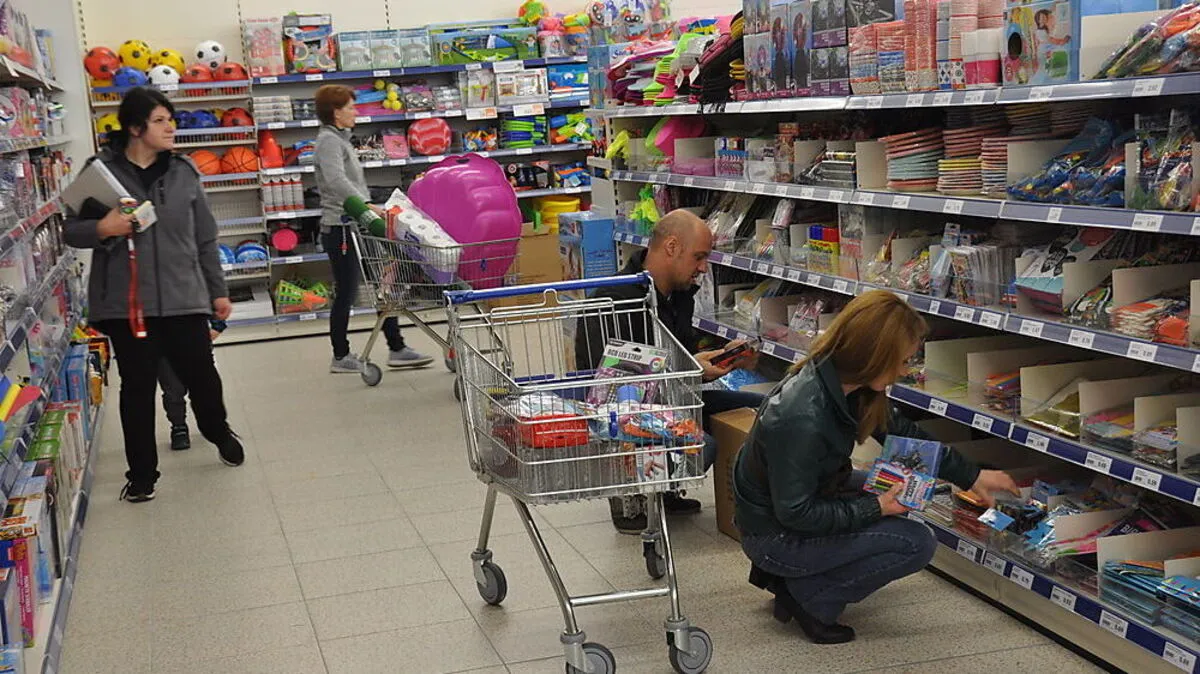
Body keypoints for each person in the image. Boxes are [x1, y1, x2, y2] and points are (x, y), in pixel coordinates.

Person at [733, 290, 1020, 644]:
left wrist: (972, 476)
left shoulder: (845, 382)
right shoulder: (802, 414)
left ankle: (800, 576)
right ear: (872, 355)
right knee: (916, 543)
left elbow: (906, 435)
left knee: (889, 487)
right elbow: (796, 513)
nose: (905, 371)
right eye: (902, 361)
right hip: (773, 536)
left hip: (797, 500)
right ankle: (809, 596)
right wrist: (876, 507)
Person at [63, 87, 245, 503]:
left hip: (184, 298)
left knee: (202, 378)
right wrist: (102, 228)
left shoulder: (184, 172)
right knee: (137, 389)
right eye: (160, 120)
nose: (171, 127)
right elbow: (70, 229)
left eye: (171, 119)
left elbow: (205, 238)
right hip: (127, 305)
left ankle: (217, 431)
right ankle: (142, 475)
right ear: (134, 127)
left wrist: (217, 292)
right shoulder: (99, 173)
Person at [575, 210, 766, 533]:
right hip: (629, 417)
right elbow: (607, 387)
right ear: (672, 247)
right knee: (702, 447)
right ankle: (634, 497)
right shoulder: (613, 300)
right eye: (699, 257)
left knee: (760, 406)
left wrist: (716, 358)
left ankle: (663, 490)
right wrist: (688, 370)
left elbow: (678, 358)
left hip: (674, 400)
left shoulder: (678, 296)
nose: (703, 268)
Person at [313, 84, 432, 373]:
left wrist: (366, 210)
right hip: (341, 227)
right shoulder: (328, 141)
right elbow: (336, 181)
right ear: (336, 112)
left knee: (383, 286)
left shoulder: (340, 139)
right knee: (347, 292)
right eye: (350, 108)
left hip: (358, 223)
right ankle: (340, 356)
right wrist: (366, 206)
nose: (356, 112)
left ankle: (397, 348)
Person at [159, 318, 226, 450]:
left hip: (194, 335)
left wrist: (217, 326)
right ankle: (179, 426)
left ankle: (212, 423)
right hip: (163, 343)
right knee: (173, 390)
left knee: (204, 387)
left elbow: (213, 305)